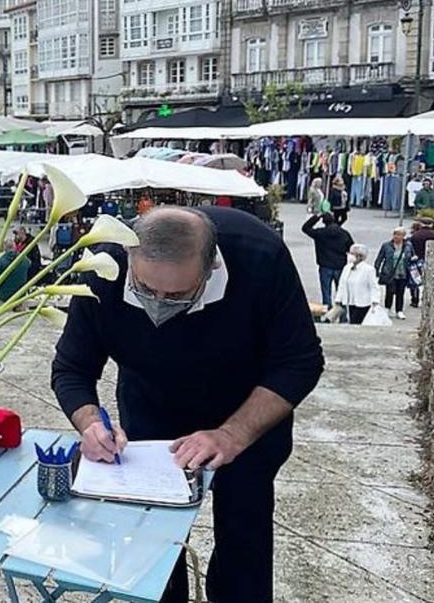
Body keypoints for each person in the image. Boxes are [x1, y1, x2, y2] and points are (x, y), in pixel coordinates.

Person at [51, 207, 324, 603]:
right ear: (130, 261)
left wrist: (232, 435)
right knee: (151, 549)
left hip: (247, 413)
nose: (159, 305)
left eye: (177, 295)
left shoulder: (259, 255)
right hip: (151, 410)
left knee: (243, 539)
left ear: (210, 266)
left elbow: (300, 361)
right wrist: (92, 424)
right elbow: (72, 368)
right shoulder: (106, 265)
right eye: (145, 290)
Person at [301, 212, 354, 310]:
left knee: (326, 292)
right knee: (341, 292)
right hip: (340, 266)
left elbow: (305, 228)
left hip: (325, 265)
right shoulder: (343, 233)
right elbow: (351, 247)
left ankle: (328, 313)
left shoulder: (320, 233)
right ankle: (342, 314)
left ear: (323, 222)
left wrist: (316, 217)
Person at [375, 227, 415, 320]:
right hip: (390, 272)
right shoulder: (386, 245)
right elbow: (380, 258)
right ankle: (387, 308)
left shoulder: (408, 245)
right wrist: (377, 270)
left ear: (403, 236)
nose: (396, 237)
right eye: (395, 234)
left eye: (399, 234)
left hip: (403, 272)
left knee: (400, 292)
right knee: (390, 291)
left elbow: (413, 256)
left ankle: (399, 310)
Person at [334, 244, 380, 324]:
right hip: (350, 301)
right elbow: (342, 284)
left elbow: (374, 286)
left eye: (353, 254)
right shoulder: (347, 268)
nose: (350, 256)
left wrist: (375, 300)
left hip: (363, 302)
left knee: (355, 322)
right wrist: (338, 298)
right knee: (352, 321)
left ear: (360, 256)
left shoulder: (368, 270)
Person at [409, 218, 434, 307]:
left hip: (417, 260)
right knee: (430, 282)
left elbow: (410, 249)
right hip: (431, 261)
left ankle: (415, 300)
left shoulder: (415, 235)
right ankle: (429, 300)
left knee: (415, 281)